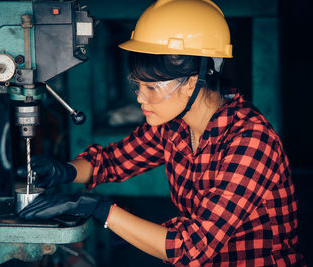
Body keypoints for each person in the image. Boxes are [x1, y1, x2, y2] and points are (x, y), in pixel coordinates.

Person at [19, 0, 305, 265]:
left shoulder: (250, 142)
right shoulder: (174, 126)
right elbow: (112, 161)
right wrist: (65, 171)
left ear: (193, 83)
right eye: (138, 85)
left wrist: (100, 209)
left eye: (152, 87)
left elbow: (189, 248)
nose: (141, 98)